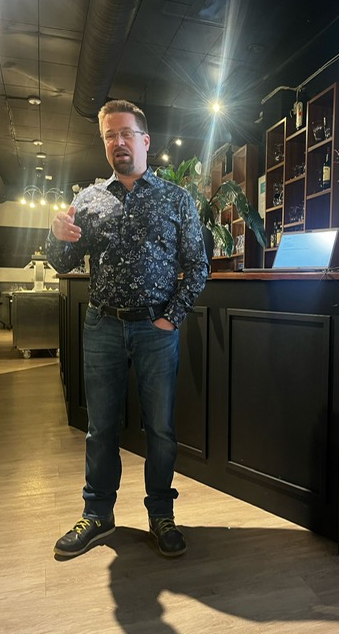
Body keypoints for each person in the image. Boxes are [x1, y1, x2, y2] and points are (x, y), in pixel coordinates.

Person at [46, 99, 209, 558]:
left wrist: (170, 317)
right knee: (100, 429)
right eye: (109, 136)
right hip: (102, 325)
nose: (118, 142)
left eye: (126, 133)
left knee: (160, 429)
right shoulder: (88, 200)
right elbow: (62, 263)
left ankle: (161, 514)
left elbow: (198, 266)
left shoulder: (176, 199)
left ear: (145, 140)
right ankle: (97, 514)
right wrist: (54, 237)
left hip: (156, 329)